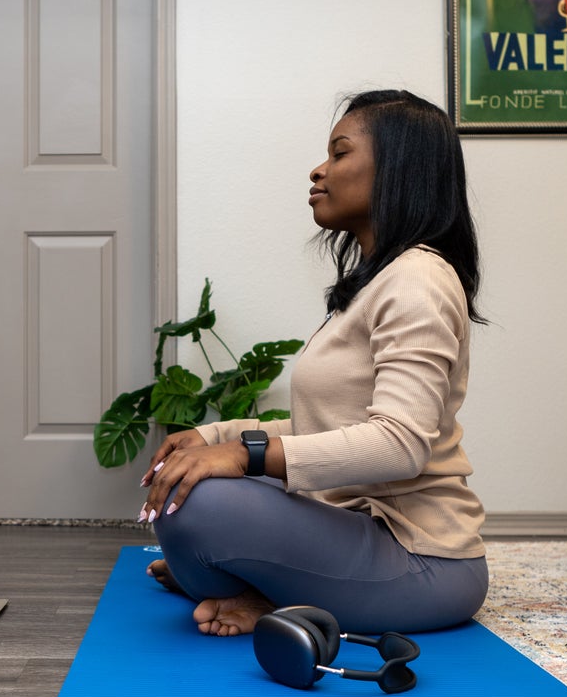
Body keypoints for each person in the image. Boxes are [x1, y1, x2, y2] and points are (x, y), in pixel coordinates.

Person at [138, 89, 487, 637]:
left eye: (339, 153)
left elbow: (399, 444)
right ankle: (260, 585)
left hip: (425, 564)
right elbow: (330, 427)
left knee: (199, 507)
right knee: (185, 476)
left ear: (396, 169)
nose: (318, 170)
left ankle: (255, 586)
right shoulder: (379, 281)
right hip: (356, 531)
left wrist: (247, 456)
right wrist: (214, 436)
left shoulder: (418, 281)